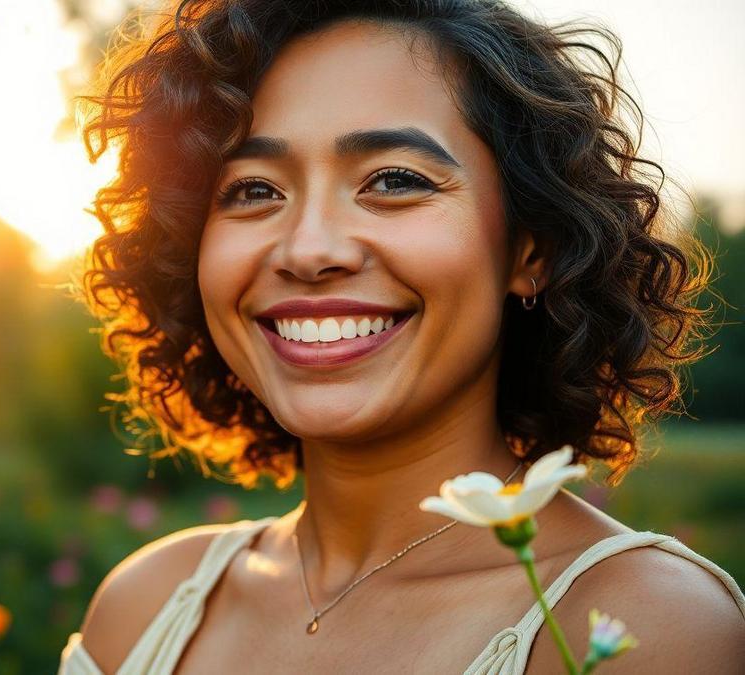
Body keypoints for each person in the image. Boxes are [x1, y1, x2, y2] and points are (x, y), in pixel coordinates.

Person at [59, 1, 745, 673]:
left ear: (531, 249)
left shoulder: (649, 626)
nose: (308, 248)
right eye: (253, 189)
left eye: (393, 180)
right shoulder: (142, 608)